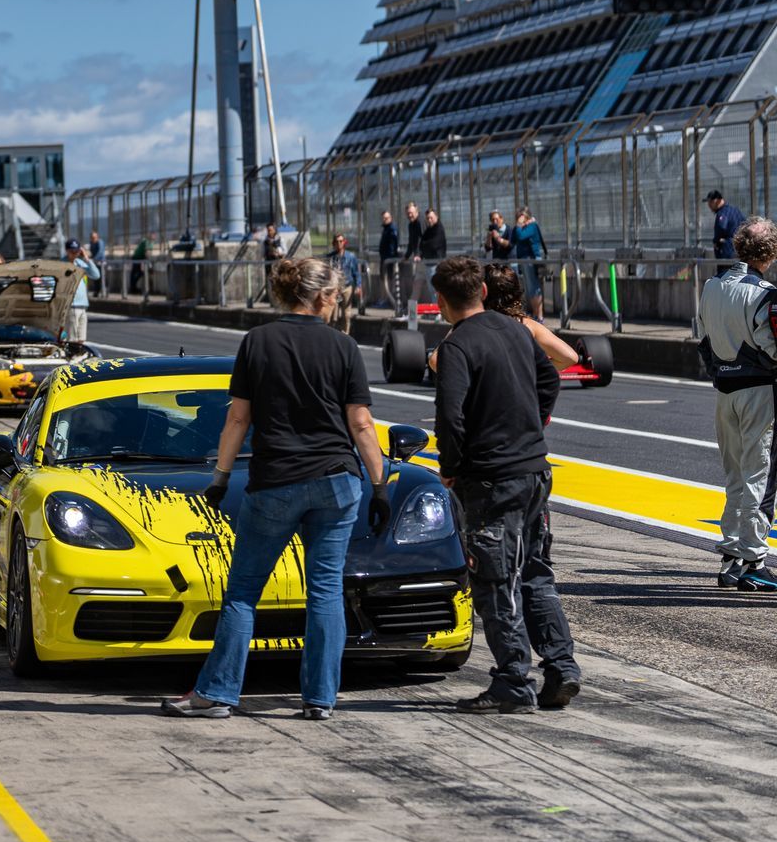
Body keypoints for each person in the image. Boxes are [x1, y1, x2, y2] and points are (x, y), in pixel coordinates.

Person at [163, 258, 386, 721]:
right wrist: (379, 483)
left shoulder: (258, 342)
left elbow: (238, 418)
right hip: (336, 481)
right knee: (325, 590)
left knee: (244, 591)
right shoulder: (344, 346)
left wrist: (221, 478)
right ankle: (319, 699)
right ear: (321, 297)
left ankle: (218, 694)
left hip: (275, 482)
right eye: (335, 296)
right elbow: (361, 423)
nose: (337, 303)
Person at [430, 256, 578, 714]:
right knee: (534, 572)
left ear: (441, 300)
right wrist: (531, 423)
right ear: (483, 292)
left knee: (494, 581)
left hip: (491, 478)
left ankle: (513, 682)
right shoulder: (517, 330)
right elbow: (550, 378)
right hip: (535, 470)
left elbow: (450, 416)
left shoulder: (456, 345)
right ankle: (561, 666)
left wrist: (451, 465)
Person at [696, 216, 777, 591]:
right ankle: (754, 560)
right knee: (760, 476)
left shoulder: (711, 286)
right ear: (770, 253)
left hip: (723, 392)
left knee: (734, 476)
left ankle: (731, 555)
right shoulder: (764, 293)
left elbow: (703, 339)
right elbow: (771, 347)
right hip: (760, 392)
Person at [481, 265, 579, 371]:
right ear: (516, 292)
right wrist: (530, 372)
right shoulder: (528, 326)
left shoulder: (474, 326)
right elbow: (569, 357)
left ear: (483, 291)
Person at [508, 207, 547, 320]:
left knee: (533, 287)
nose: (519, 219)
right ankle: (536, 315)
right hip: (524, 259)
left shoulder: (532, 226)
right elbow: (513, 240)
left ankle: (539, 316)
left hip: (531, 258)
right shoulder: (521, 227)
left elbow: (521, 236)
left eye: (520, 217)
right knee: (530, 287)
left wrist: (519, 225)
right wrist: (518, 226)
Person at [64, 237, 100, 342]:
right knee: (72, 339)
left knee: (81, 339)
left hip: (83, 305)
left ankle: (77, 352)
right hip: (71, 305)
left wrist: (87, 259)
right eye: (72, 251)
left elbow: (96, 275)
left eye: (76, 251)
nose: (74, 253)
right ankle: (71, 352)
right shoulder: (62, 264)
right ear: (67, 251)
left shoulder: (80, 263)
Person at [325, 233, 361, 332]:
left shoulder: (351, 257)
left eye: (341, 241)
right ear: (333, 244)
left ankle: (345, 335)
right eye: (337, 242)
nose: (339, 244)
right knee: (333, 315)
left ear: (344, 242)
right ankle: (332, 334)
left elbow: (356, 273)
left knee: (346, 314)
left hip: (347, 287)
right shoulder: (330, 257)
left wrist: (358, 286)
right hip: (335, 288)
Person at [710, 189, 747, 266]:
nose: (709, 206)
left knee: (725, 271)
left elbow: (721, 226)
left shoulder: (722, 213)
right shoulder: (735, 210)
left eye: (710, 202)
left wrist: (716, 240)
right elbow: (745, 224)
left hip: (727, 251)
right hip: (740, 249)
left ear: (717, 201)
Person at [377, 210, 400, 309]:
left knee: (388, 279)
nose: (384, 220)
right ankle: (385, 299)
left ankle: (388, 300)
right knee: (384, 279)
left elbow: (393, 244)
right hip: (384, 257)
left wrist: (390, 257)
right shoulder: (386, 228)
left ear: (390, 218)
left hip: (389, 259)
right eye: (383, 218)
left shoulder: (392, 229)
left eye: (386, 218)